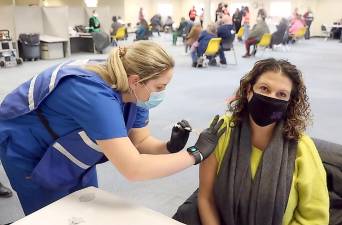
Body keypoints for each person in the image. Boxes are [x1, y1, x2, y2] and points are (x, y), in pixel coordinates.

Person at [0, 41, 225, 215]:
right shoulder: (94, 95)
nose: (161, 93)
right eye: (160, 86)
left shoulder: (133, 91)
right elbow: (133, 169)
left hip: (72, 146)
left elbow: (139, 142)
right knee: (52, 215)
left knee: (87, 205)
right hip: (28, 147)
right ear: (137, 80)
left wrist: (169, 146)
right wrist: (195, 154)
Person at [174, 58, 329, 225]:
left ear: (289, 102)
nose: (271, 98)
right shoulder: (222, 131)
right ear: (248, 91)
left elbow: (314, 218)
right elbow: (206, 199)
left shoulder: (301, 147)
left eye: (281, 94)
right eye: (264, 88)